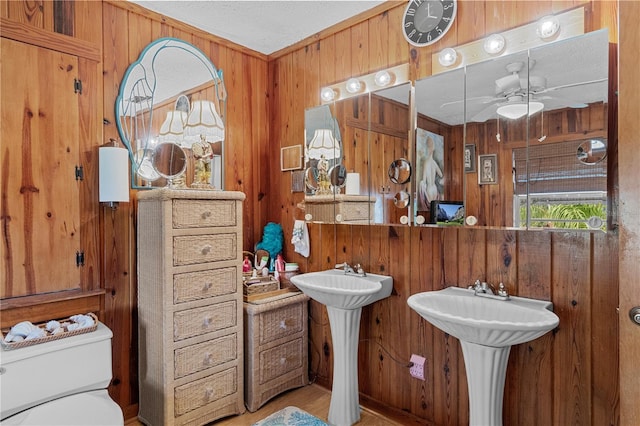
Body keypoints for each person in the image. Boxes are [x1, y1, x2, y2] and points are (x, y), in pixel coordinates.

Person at [419, 136, 443, 210]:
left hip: (429, 189)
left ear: (428, 148)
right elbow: (441, 175)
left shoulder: (426, 163)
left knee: (430, 211)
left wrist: (422, 185)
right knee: (434, 210)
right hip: (434, 189)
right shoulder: (434, 163)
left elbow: (424, 180)